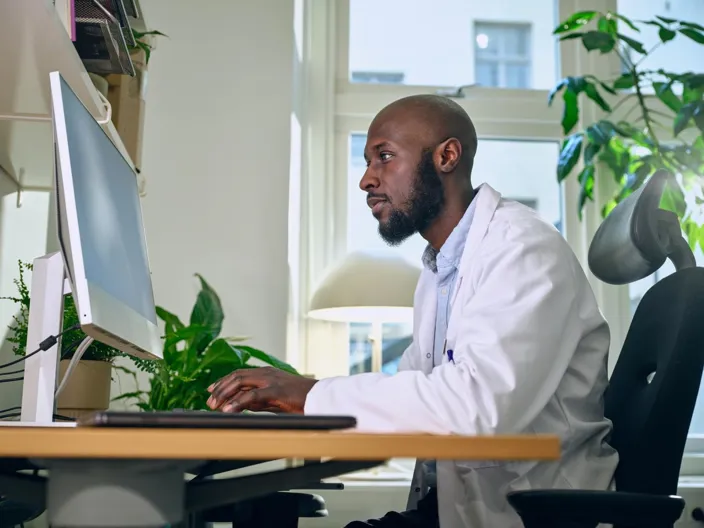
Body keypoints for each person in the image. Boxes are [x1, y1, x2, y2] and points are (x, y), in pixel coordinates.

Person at [206, 94, 619, 527]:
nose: (367, 180)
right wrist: (304, 398)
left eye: (384, 157)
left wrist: (310, 395)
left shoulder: (522, 249)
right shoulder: (441, 267)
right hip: (455, 509)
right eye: (368, 162)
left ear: (447, 156)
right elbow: (415, 387)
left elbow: (477, 407)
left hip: (530, 514)